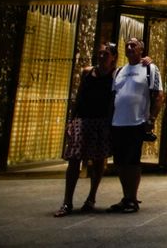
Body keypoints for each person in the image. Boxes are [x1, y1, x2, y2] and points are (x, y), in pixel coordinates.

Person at [54, 42, 118, 217]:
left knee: (98, 161)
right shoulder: (87, 72)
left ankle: (91, 197)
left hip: (101, 121)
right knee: (74, 159)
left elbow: (113, 101)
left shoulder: (115, 75)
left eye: (106, 53)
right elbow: (79, 96)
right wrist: (71, 119)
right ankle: (67, 201)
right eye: (100, 53)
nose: (102, 56)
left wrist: (111, 123)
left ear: (113, 57)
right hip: (83, 119)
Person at [107, 38, 164, 213]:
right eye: (127, 46)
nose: (130, 48)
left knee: (132, 161)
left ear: (141, 49)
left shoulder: (149, 69)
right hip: (118, 122)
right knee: (120, 161)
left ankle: (132, 197)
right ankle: (126, 196)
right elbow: (113, 95)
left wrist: (151, 118)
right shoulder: (119, 71)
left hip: (136, 122)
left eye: (134, 46)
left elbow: (159, 95)